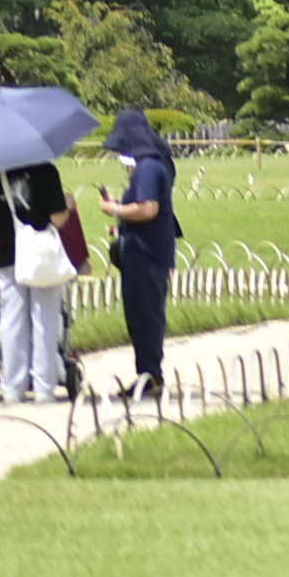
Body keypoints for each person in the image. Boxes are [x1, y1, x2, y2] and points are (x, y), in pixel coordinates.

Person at [99, 108, 179, 398]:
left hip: (146, 253)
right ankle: (147, 374)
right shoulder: (157, 164)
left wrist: (115, 209)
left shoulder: (148, 168)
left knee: (145, 316)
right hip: (148, 249)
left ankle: (152, 377)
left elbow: (148, 208)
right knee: (143, 316)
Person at [0, 162, 76, 404]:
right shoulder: (47, 171)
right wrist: (67, 205)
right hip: (41, 255)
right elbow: (58, 219)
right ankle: (43, 388)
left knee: (12, 322)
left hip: (9, 253)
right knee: (45, 322)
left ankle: (13, 388)